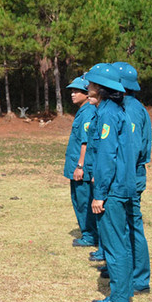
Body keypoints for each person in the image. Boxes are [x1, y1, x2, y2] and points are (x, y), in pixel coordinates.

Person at [83, 63, 139, 302]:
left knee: (115, 244)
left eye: (92, 84)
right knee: (121, 242)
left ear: (102, 89)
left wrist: (100, 195)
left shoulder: (108, 114)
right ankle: (123, 294)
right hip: (121, 187)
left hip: (112, 190)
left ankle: (118, 299)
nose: (87, 87)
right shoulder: (113, 111)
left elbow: (107, 158)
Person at [113, 62, 152, 295]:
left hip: (129, 177)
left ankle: (139, 278)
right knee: (123, 225)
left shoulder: (132, 109)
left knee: (132, 225)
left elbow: (132, 148)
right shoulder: (125, 106)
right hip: (125, 176)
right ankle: (126, 268)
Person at [63, 77, 98, 248]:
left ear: (86, 93)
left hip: (81, 167)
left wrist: (80, 166)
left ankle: (90, 235)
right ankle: (89, 233)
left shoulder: (88, 113)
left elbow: (86, 142)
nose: (73, 94)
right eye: (71, 91)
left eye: (77, 91)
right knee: (79, 200)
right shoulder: (83, 111)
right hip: (76, 164)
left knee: (83, 201)